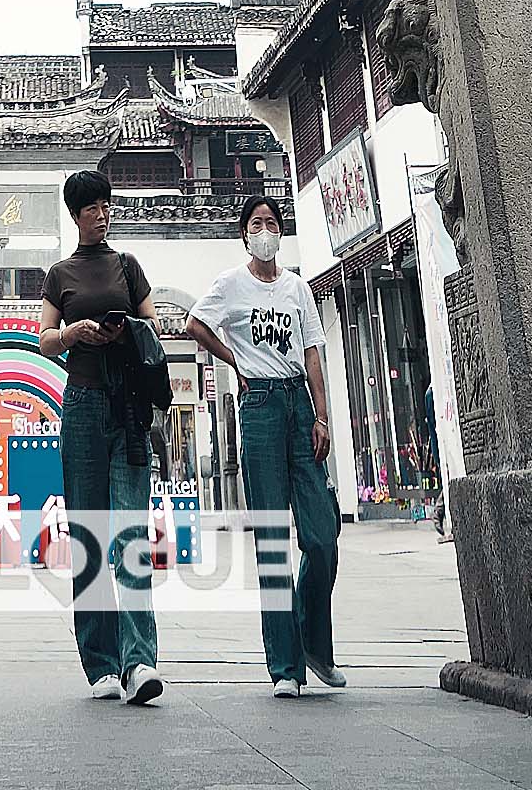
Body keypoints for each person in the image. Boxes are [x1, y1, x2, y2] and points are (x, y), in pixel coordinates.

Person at [188, 190, 343, 696]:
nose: (265, 231)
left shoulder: (298, 289)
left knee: (321, 535)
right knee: (273, 539)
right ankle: (286, 667)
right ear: (244, 234)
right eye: (256, 223)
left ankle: (314, 641)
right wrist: (233, 361)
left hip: (299, 404)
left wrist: (322, 414)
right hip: (258, 411)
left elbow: (314, 350)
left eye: (272, 222)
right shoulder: (230, 286)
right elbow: (194, 324)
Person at [36, 165, 164, 704]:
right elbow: (44, 341)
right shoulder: (59, 275)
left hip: (127, 406)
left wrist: (123, 329)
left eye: (107, 205)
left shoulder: (127, 266)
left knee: (131, 533)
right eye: (93, 207)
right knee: (89, 536)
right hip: (83, 404)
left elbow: (152, 325)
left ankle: (140, 663)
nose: (103, 213)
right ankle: (102, 664)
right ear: (76, 214)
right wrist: (74, 332)